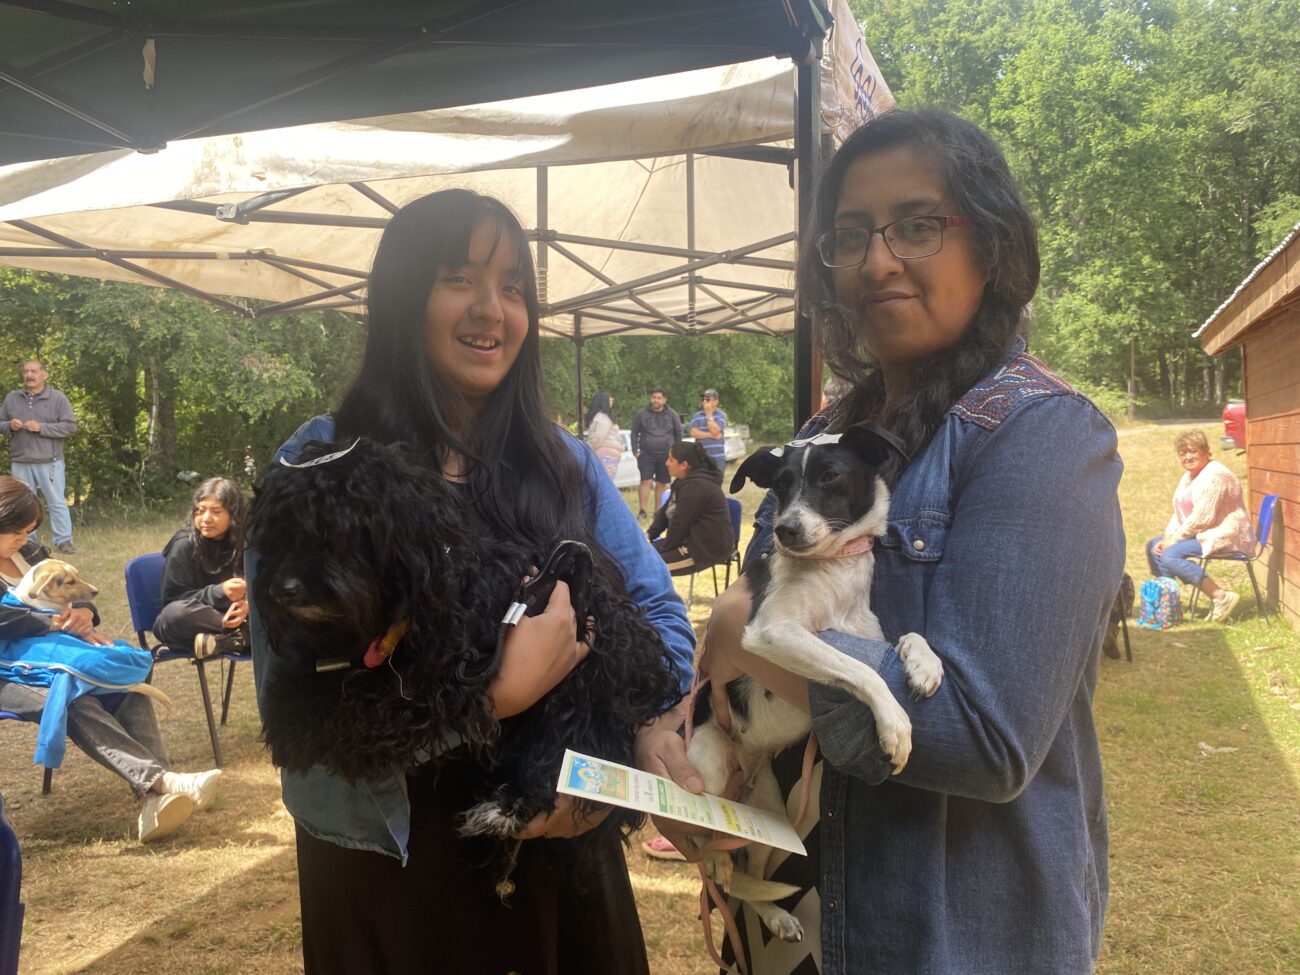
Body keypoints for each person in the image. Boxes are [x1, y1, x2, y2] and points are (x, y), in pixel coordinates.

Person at [660, 110, 1125, 974]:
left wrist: (752, 642)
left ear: (990, 245)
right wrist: (689, 756)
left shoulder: (1043, 438)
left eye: (916, 225)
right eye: (849, 235)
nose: (876, 260)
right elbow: (744, 632)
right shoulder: (823, 434)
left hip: (942, 941)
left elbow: (984, 737)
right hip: (788, 918)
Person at [249, 188, 697, 975]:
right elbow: (292, 710)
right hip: (396, 871)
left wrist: (645, 736)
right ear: (403, 296)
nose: (493, 309)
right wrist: (491, 698)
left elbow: (661, 614)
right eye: (459, 277)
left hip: (561, 859)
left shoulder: (563, 461)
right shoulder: (322, 463)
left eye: (513, 286)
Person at [0, 476, 220, 842]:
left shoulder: (31, 555)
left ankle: (154, 799)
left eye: (29, 531)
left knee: (127, 684)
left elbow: (77, 589)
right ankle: (161, 783)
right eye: (17, 532)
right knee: (71, 698)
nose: (25, 539)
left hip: (59, 657)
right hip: (9, 674)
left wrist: (84, 613)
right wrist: (50, 622)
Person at [1145, 429, 1253, 622]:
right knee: (1154, 546)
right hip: (1202, 533)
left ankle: (1221, 596)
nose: (1188, 457)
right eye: (1183, 453)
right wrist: (1168, 537)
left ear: (1205, 451)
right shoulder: (1188, 476)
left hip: (1226, 534)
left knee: (1170, 554)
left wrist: (1174, 540)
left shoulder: (1215, 475)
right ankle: (1168, 605)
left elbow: (1203, 517)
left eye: (1193, 451)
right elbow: (1180, 513)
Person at [154, 477, 250, 658]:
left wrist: (247, 604)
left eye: (216, 511)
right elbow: (174, 599)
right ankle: (241, 637)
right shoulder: (184, 544)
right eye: (200, 510)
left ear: (234, 515)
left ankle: (226, 641)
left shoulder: (245, 542)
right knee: (174, 614)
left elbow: (262, 584)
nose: (206, 519)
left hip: (237, 616)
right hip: (199, 620)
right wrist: (219, 592)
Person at [0, 360, 77, 554]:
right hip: (20, 461)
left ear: (44, 375)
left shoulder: (57, 398)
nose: (29, 375)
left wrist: (41, 428)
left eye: (34, 371)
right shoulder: (12, 398)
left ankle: (63, 541)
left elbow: (70, 427)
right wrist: (9, 426)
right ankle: (27, 543)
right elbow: (1, 424)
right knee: (22, 505)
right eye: (26, 372)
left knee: (56, 502)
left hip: (50, 461)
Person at [646, 440, 735, 573]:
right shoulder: (682, 482)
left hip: (705, 549)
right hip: (688, 541)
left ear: (684, 465)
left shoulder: (697, 486)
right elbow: (665, 513)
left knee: (646, 568)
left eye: (671, 460)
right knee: (640, 556)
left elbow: (680, 524)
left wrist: (663, 549)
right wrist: (648, 536)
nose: (666, 463)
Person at [629, 386, 682, 518]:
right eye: (653, 397)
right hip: (646, 454)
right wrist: (635, 450)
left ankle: (658, 512)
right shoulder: (641, 414)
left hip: (666, 455)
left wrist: (676, 452)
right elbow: (634, 432)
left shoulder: (672, 415)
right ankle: (642, 511)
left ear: (664, 400)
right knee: (645, 481)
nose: (655, 400)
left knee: (661, 483)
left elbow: (678, 433)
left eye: (659, 398)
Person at [583, 389, 623, 481]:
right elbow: (599, 438)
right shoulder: (603, 417)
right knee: (604, 481)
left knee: (603, 480)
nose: (612, 400)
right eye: (610, 398)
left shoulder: (601, 417)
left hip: (606, 452)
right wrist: (592, 450)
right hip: (605, 452)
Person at [688, 388, 728, 471]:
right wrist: (711, 435)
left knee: (717, 479)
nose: (704, 401)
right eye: (703, 399)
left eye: (708, 399)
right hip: (701, 458)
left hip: (717, 457)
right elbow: (693, 433)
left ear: (716, 402)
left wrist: (709, 414)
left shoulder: (721, 415)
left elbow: (715, 431)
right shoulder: (697, 416)